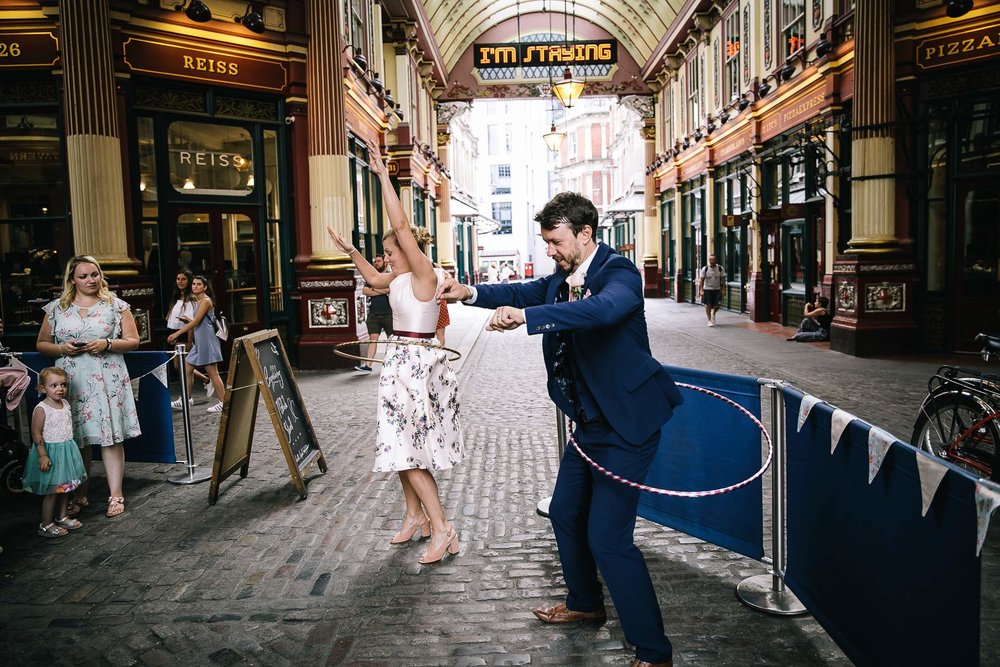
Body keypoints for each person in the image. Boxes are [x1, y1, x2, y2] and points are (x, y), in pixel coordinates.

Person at [438, 191, 682, 667]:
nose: (548, 249)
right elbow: (521, 291)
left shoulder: (620, 273)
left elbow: (603, 311)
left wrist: (528, 319)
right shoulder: (561, 279)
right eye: (546, 241)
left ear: (585, 233)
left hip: (626, 425)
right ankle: (585, 603)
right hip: (590, 424)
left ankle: (654, 652)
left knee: (609, 540)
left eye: (555, 241)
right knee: (567, 513)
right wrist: (468, 293)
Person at [327, 139, 463, 566]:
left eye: (390, 251)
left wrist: (383, 175)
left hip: (418, 366)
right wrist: (349, 250)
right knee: (397, 446)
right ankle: (414, 518)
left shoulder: (424, 275)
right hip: (400, 363)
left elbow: (402, 227)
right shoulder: (399, 280)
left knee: (410, 449)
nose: (385, 258)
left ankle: (442, 528)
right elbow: (371, 276)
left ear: (408, 251)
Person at [36, 255, 141, 519]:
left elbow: (133, 340)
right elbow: (41, 344)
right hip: (71, 381)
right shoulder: (57, 308)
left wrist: (107, 344)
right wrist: (62, 348)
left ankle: (115, 494)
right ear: (72, 279)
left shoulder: (115, 305)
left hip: (107, 378)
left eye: (94, 274)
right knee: (77, 438)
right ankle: (79, 494)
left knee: (110, 436)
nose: (90, 280)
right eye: (83, 276)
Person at [23, 367, 87, 537]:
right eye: (54, 385)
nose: (60, 389)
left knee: (65, 487)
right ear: (42, 388)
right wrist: (43, 454)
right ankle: (45, 523)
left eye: (63, 385)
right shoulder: (41, 408)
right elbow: (36, 432)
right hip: (50, 452)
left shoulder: (65, 403)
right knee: (52, 491)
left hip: (66, 451)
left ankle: (62, 516)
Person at [167, 275, 226, 413]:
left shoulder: (205, 300)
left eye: (199, 284)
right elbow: (197, 321)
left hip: (207, 339)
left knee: (213, 372)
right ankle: (186, 399)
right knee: (187, 367)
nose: (195, 286)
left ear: (205, 287)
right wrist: (189, 320)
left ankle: (224, 402)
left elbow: (197, 322)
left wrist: (176, 334)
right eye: (193, 284)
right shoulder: (197, 301)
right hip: (200, 339)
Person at [166, 269, 213, 397]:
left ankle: (189, 396)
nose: (180, 282)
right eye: (178, 279)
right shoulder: (177, 296)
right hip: (177, 332)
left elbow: (194, 321)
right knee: (181, 366)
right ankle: (204, 381)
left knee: (184, 366)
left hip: (186, 334)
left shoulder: (192, 298)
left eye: (183, 279)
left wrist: (189, 340)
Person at [356, 254, 393, 374]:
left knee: (391, 340)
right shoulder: (372, 277)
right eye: (375, 261)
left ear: (384, 262)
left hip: (389, 313)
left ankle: (390, 363)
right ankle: (368, 365)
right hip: (374, 313)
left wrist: (374, 290)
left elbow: (389, 290)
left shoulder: (389, 276)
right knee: (373, 339)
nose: (376, 263)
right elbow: (365, 291)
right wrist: (381, 291)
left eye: (378, 261)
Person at [698, 254, 726, 327]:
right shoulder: (705, 269)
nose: (712, 261)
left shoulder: (720, 268)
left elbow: (723, 279)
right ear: (709, 260)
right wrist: (701, 289)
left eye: (713, 260)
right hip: (707, 289)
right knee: (708, 305)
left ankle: (713, 313)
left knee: (718, 304)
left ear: (715, 260)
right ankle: (709, 320)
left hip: (717, 289)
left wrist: (723, 289)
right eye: (711, 260)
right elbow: (701, 280)